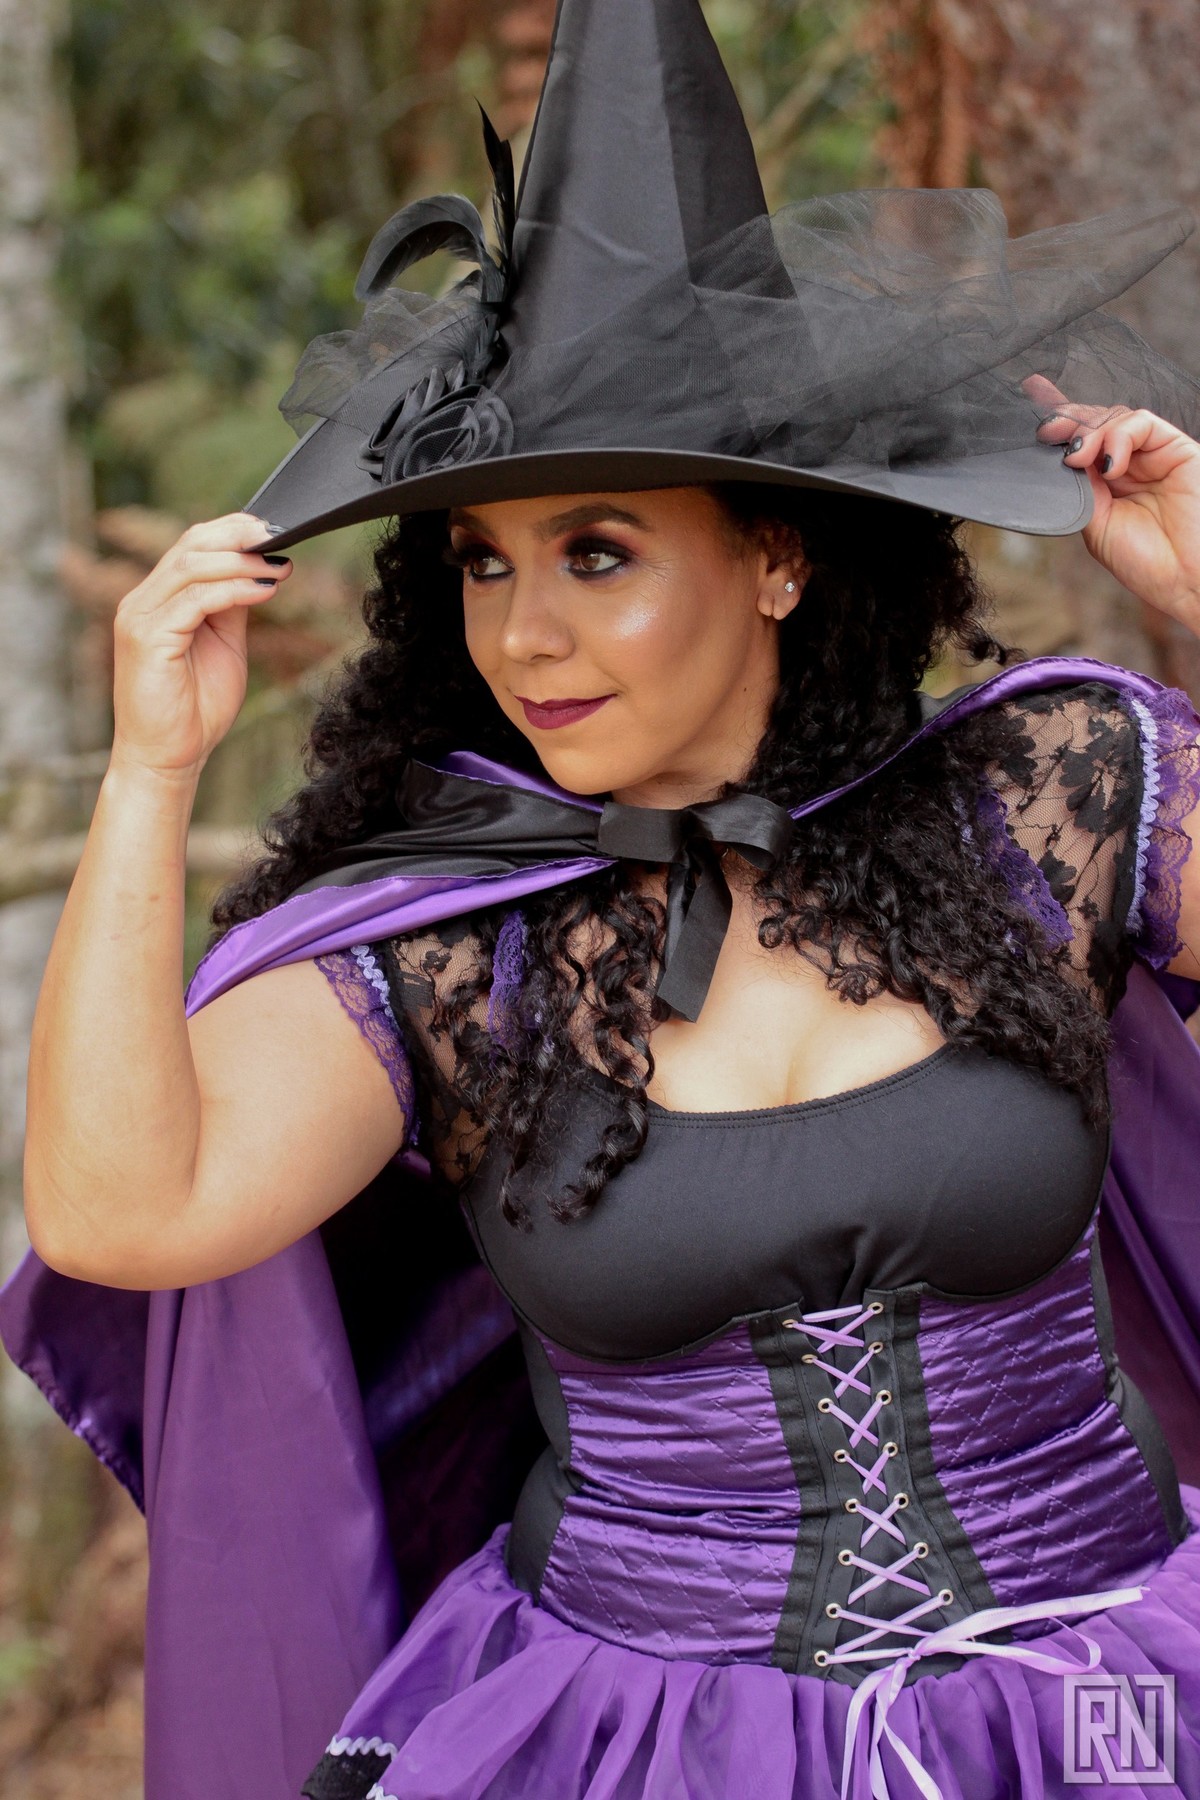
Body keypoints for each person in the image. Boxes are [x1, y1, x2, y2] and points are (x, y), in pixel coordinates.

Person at [10, 3, 1200, 1798]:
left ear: (777, 553)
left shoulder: (1049, 801)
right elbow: (123, 1210)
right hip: (643, 1746)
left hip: (1111, 1716)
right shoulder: (450, 953)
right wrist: (147, 774)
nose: (525, 634)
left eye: (595, 552)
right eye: (483, 564)